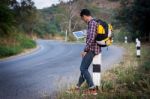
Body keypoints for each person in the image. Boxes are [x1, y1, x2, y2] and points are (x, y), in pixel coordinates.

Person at [67, 9, 101, 95]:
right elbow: (91, 36)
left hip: (92, 49)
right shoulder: (92, 23)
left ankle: (92, 89)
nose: (83, 20)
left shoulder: (92, 23)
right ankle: (77, 87)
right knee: (83, 69)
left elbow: (91, 38)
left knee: (83, 68)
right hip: (92, 48)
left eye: (82, 18)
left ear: (84, 16)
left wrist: (85, 50)